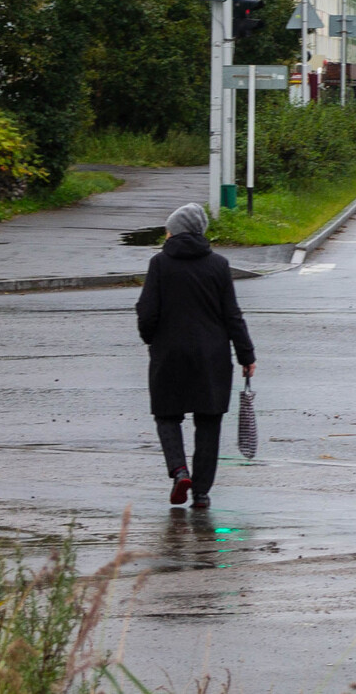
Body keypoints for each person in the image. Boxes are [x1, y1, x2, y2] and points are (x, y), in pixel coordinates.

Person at [136, 202, 254, 509]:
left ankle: (179, 472)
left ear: (176, 230)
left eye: (169, 227)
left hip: (169, 354)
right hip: (211, 356)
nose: (166, 232)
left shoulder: (160, 264)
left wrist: (153, 339)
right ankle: (201, 492)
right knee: (209, 421)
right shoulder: (218, 265)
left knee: (166, 415)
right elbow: (233, 316)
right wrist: (246, 356)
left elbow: (146, 312)